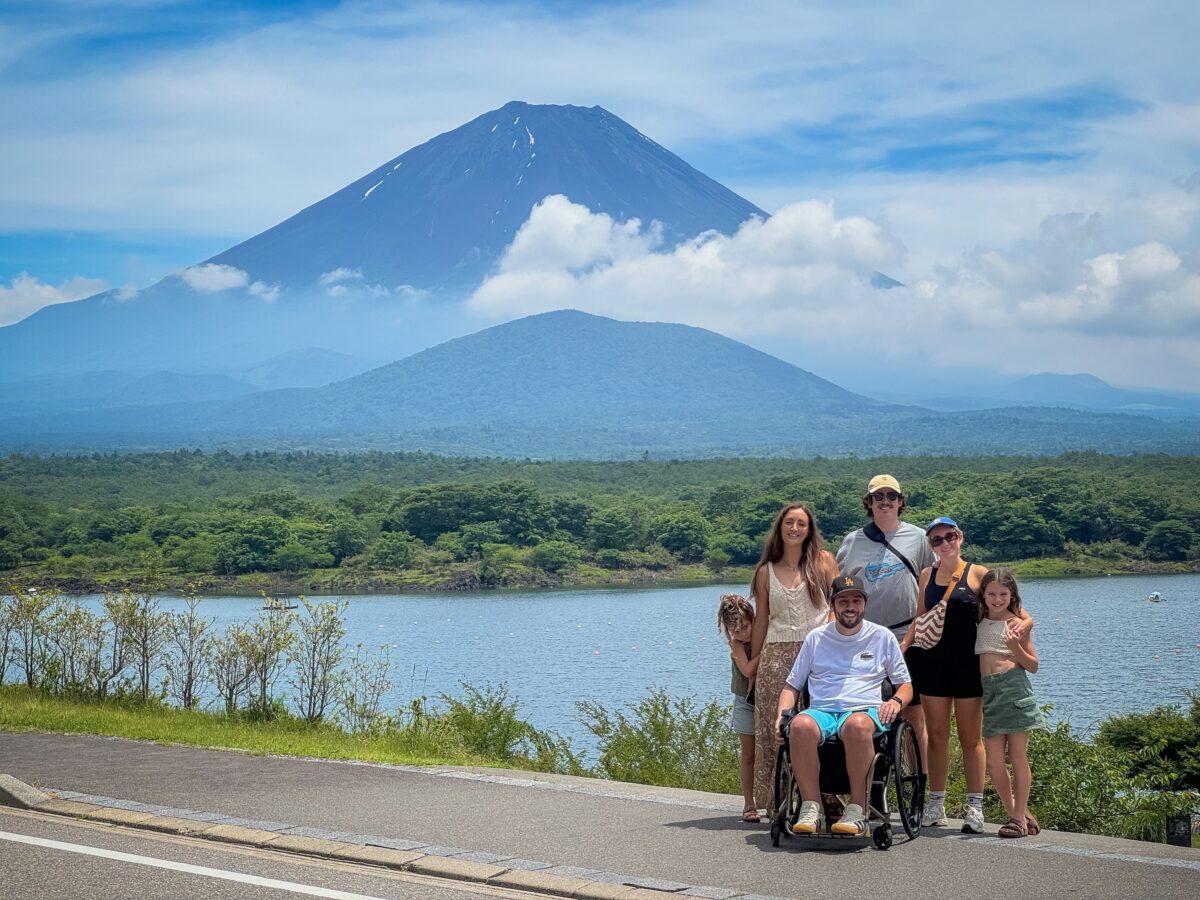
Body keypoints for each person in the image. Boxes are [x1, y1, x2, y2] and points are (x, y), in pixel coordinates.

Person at [775, 573, 913, 835]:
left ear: (864, 604)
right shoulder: (816, 638)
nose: (850, 607)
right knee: (800, 725)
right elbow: (791, 686)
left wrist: (895, 701)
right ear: (833, 605)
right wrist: (782, 716)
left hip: (864, 710)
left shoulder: (882, 637)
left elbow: (905, 686)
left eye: (856, 601)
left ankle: (857, 810)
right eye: (843, 601)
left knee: (857, 725)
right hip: (823, 710)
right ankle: (811, 808)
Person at [749, 503, 838, 815]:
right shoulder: (765, 571)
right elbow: (761, 620)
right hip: (776, 656)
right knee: (777, 729)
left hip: (818, 653)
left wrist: (828, 631)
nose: (795, 528)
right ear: (780, 527)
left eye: (801, 523)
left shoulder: (824, 562)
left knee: (819, 728)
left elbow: (837, 603)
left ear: (809, 529)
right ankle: (780, 801)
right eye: (789, 522)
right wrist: (754, 663)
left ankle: (827, 800)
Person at [835, 475, 935, 756]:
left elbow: (932, 582)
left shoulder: (918, 538)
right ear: (869, 503)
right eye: (879, 497)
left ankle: (921, 787)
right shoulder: (852, 541)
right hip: (865, 639)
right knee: (865, 711)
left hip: (908, 637)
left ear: (901, 502)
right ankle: (871, 784)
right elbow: (839, 587)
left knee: (914, 715)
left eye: (892, 496)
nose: (886, 501)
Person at [976, 568, 1042, 838]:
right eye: (991, 593)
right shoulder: (979, 619)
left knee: (1017, 756)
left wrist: (1016, 646)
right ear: (983, 594)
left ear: (1012, 595)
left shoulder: (1016, 623)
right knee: (993, 762)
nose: (997, 599)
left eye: (1003, 594)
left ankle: (1016, 819)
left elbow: (1033, 665)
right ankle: (1019, 813)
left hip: (1013, 687)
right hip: (989, 691)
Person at [717, 593, 760, 822]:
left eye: (744, 626)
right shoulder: (736, 645)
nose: (741, 632)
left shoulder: (763, 632)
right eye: (734, 629)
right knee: (748, 754)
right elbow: (747, 670)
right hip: (744, 700)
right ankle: (748, 803)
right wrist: (765, 653)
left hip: (767, 698)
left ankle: (773, 800)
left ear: (752, 619)